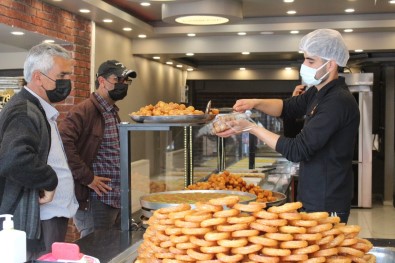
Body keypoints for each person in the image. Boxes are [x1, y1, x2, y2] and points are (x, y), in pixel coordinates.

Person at [217, 29, 360, 223]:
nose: (304, 66)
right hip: (312, 192)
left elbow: (297, 150)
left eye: (310, 61)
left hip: (327, 198)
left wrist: (251, 127)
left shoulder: (337, 101)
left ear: (331, 64)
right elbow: (287, 107)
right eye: (304, 60)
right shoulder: (318, 92)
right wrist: (255, 102)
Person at [0, 42, 78, 259]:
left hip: (48, 218)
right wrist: (49, 180)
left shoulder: (37, 109)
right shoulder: (24, 111)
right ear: (38, 77)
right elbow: (13, 158)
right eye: (62, 75)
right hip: (39, 221)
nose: (67, 82)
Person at [59, 60, 137, 237]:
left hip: (115, 199)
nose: (123, 84)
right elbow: (63, 144)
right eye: (118, 79)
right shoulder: (83, 111)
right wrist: (88, 178)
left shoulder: (112, 112)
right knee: (96, 252)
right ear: (101, 81)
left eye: (126, 80)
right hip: (94, 201)